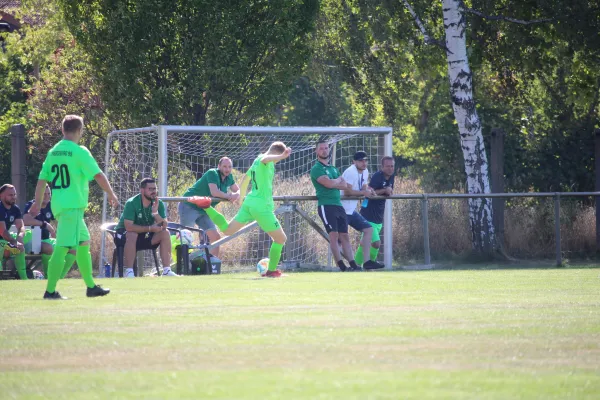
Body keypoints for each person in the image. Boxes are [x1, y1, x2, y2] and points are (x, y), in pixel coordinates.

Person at [30, 114, 119, 300]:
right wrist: (111, 194)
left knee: (83, 244)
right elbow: (99, 175)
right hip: (72, 208)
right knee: (62, 247)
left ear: (62, 130)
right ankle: (50, 290)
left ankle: (91, 287)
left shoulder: (53, 152)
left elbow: (41, 181)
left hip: (62, 207)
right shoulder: (80, 152)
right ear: (80, 131)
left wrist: (37, 204)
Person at [188, 142, 291, 278]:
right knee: (280, 239)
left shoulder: (256, 160)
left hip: (249, 202)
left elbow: (246, 178)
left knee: (227, 230)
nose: (277, 161)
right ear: (276, 154)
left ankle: (207, 207)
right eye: (278, 158)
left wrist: (241, 198)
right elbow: (266, 159)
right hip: (261, 207)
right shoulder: (264, 160)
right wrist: (283, 156)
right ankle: (271, 271)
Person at [310, 140, 362, 272]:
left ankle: (353, 264)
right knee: (334, 236)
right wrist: (335, 182)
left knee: (344, 235)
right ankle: (341, 266)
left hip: (338, 205)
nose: (324, 150)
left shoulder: (333, 168)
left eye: (326, 148)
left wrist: (335, 182)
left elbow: (344, 185)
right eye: (321, 148)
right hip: (326, 206)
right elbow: (327, 184)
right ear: (316, 151)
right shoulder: (316, 168)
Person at [178, 157, 240, 258]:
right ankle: (182, 266)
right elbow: (214, 192)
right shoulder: (212, 173)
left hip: (204, 209)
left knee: (216, 237)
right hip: (189, 206)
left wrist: (236, 195)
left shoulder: (229, 177)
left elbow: (237, 190)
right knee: (185, 238)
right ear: (219, 166)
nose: (227, 169)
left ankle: (212, 265)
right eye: (224, 166)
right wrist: (229, 196)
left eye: (229, 167)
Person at [115, 177, 177, 277]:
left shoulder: (158, 203)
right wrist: (150, 228)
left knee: (165, 233)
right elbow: (128, 227)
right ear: (142, 190)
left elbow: (164, 225)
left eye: (155, 189)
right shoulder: (131, 203)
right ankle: (129, 272)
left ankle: (166, 271)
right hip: (124, 237)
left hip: (144, 236)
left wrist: (155, 213)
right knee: (132, 234)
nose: (153, 192)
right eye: (150, 189)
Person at [341, 151, 385, 270]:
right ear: (354, 162)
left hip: (351, 210)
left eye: (365, 160)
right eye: (360, 160)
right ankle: (345, 266)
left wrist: (369, 190)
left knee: (368, 229)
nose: (364, 163)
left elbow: (363, 186)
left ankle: (367, 262)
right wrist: (363, 193)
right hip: (341, 210)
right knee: (340, 238)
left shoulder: (365, 171)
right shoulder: (350, 172)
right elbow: (347, 192)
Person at [23, 184, 77, 279]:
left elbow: (60, 220)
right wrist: (44, 224)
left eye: (49, 194)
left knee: (73, 249)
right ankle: (49, 277)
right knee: (48, 248)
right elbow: (25, 220)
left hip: (46, 240)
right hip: (31, 241)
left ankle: (60, 277)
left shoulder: (51, 206)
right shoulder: (32, 205)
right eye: (44, 194)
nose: (47, 196)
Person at [355, 156, 396, 266]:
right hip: (368, 215)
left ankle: (356, 265)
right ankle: (370, 263)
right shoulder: (378, 176)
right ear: (382, 167)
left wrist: (389, 191)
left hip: (378, 216)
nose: (390, 168)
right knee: (376, 243)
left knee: (364, 243)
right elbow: (370, 191)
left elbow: (389, 191)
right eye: (387, 166)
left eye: (392, 166)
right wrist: (385, 190)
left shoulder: (392, 177)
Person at [0, 184, 27, 279]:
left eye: (14, 194)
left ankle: (24, 279)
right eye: (10, 195)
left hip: (4, 240)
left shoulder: (15, 209)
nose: (13, 197)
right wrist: (14, 242)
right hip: (2, 239)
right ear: (1, 196)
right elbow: (2, 231)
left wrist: (19, 237)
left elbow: (21, 226)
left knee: (20, 247)